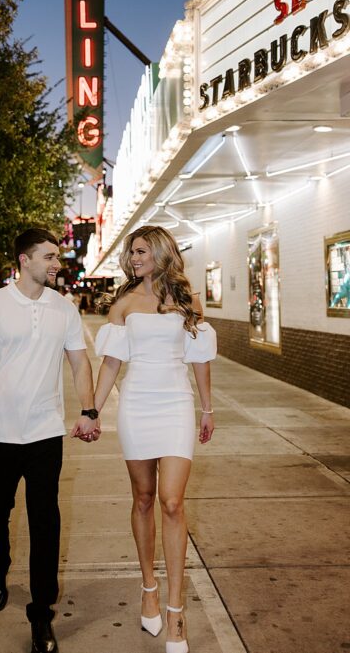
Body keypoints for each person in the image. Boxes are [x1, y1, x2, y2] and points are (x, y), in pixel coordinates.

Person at [0, 228, 98, 653]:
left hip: (45, 434)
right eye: (48, 257)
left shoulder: (64, 309)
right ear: (24, 260)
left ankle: (41, 612)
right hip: (0, 434)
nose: (56, 264)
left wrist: (88, 409)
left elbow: (80, 363)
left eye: (57, 256)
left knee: (45, 521)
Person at [91, 226, 216, 653]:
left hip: (176, 404)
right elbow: (111, 364)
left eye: (140, 250)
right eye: (131, 251)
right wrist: (92, 409)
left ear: (160, 253)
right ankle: (149, 587)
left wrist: (207, 407)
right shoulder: (124, 303)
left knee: (172, 502)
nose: (132, 257)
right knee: (143, 497)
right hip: (137, 404)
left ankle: (177, 612)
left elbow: (199, 359)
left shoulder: (187, 301)